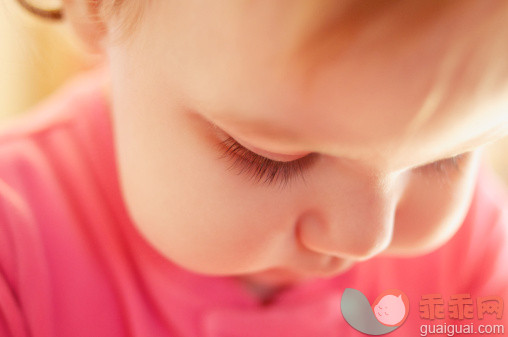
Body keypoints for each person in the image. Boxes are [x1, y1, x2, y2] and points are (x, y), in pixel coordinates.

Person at [1, 1, 507, 336]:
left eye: (446, 157)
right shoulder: (16, 255)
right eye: (271, 158)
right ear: (97, 9)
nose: (364, 238)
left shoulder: (474, 251)